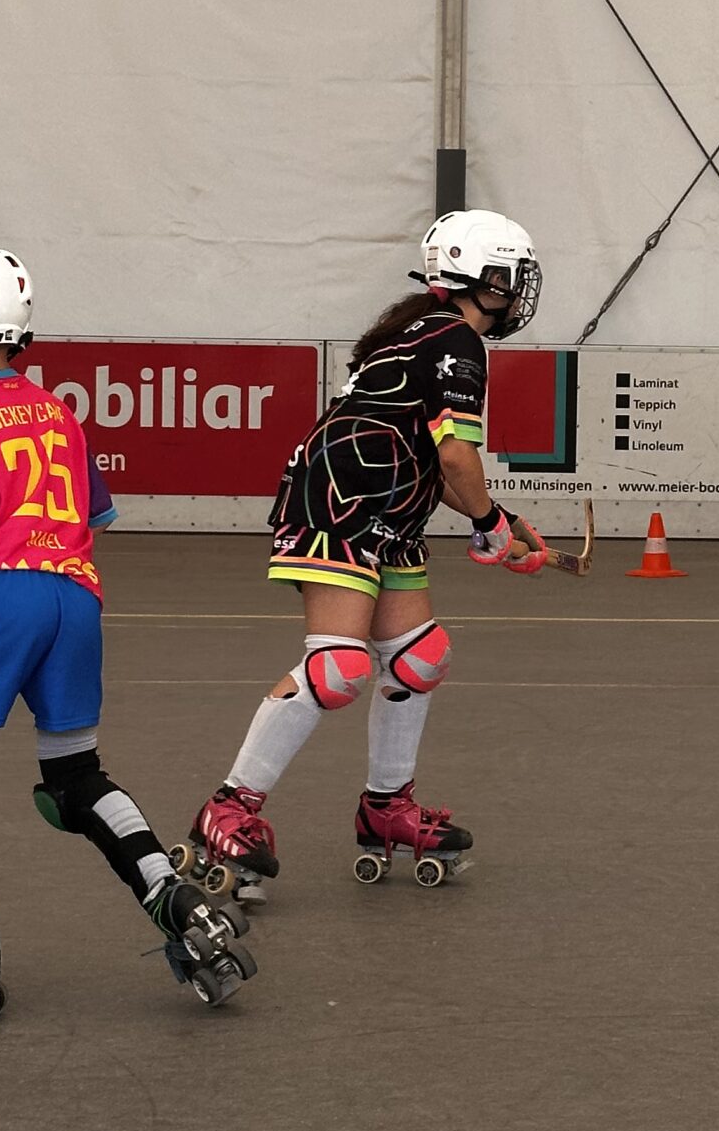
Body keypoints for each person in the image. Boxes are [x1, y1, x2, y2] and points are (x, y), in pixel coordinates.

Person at [0, 245, 257, 1011]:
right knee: (74, 782)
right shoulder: (56, 411)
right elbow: (93, 516)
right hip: (76, 600)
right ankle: (177, 901)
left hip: (5, 600)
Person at [181, 210, 544, 891]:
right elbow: (456, 455)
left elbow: (425, 458)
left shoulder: (426, 331)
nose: (520, 289)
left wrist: (497, 521)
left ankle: (386, 808)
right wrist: (490, 522)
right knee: (340, 668)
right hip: (338, 506)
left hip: (385, 512)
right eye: (513, 276)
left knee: (419, 656)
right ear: (484, 277)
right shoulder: (456, 341)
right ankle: (228, 810)